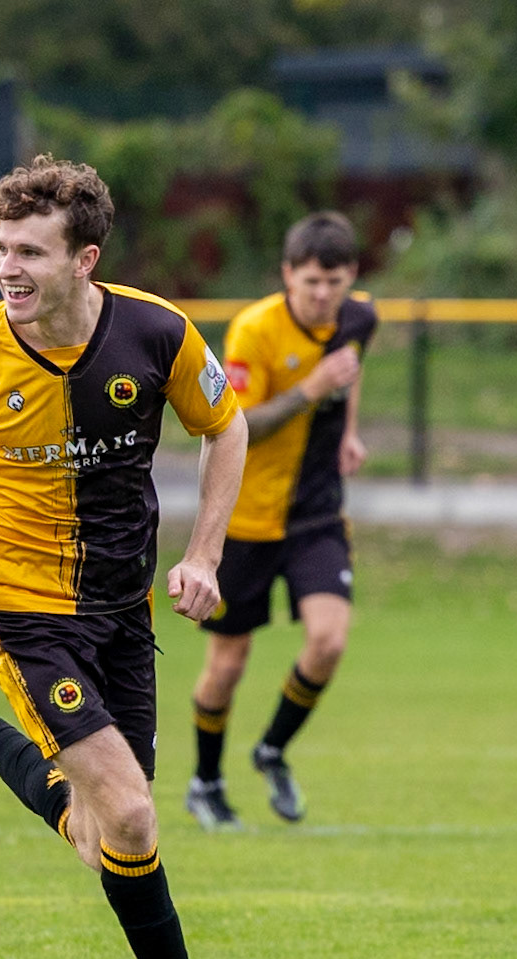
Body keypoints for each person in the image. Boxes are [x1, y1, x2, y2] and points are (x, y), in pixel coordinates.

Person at [0, 154, 258, 959]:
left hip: (123, 610)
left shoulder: (158, 334)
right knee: (130, 817)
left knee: (106, 839)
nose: (6, 269)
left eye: (29, 253)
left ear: (84, 259)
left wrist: (204, 552)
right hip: (19, 609)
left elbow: (226, 425)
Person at [185, 211, 378, 830]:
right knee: (228, 665)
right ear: (289, 275)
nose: (324, 295)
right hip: (246, 517)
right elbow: (240, 425)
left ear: (351, 279)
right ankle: (206, 781)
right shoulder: (253, 331)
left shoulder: (359, 318)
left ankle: (271, 749)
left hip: (316, 515)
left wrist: (347, 431)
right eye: (312, 281)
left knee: (329, 640)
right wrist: (312, 389)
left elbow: (352, 371)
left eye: (336, 281)